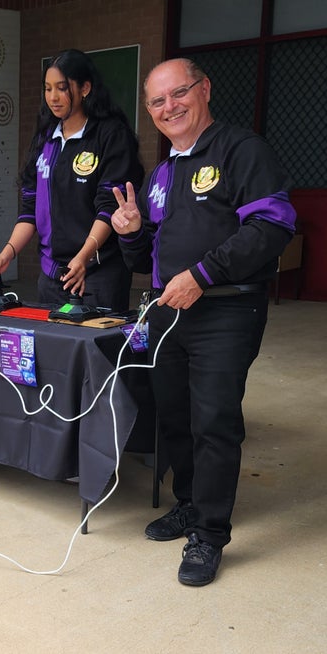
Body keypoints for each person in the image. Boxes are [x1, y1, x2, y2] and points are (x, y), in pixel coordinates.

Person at [111, 58, 297, 586]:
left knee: (214, 421)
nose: (169, 107)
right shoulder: (165, 170)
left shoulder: (242, 150)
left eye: (179, 94)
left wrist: (203, 273)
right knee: (176, 417)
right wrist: (129, 231)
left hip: (227, 308)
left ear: (205, 89)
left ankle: (210, 535)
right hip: (170, 312)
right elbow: (145, 260)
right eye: (157, 102)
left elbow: (274, 224)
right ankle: (191, 503)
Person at [0, 49, 144, 310]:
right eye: (47, 89)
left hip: (96, 274)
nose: (53, 98)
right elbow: (29, 211)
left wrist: (82, 258)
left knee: (94, 348)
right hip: (51, 276)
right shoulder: (45, 138)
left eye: (61, 88)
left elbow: (109, 207)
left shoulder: (110, 135)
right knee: (53, 347)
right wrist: (6, 254)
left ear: (85, 88)